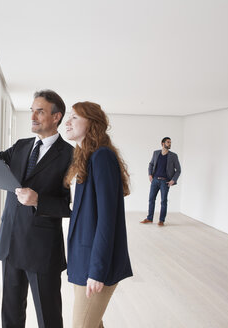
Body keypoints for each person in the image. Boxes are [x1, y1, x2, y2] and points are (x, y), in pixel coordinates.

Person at [0, 90, 73, 328]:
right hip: (11, 243)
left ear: (56, 116)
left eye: (40, 111)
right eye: (32, 110)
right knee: (10, 312)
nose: (33, 116)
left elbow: (70, 206)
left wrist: (38, 200)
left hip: (42, 250)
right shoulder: (21, 146)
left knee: (48, 316)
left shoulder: (70, 156)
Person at [64, 101, 133, 328]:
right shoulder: (86, 156)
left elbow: (107, 220)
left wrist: (97, 270)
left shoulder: (102, 157)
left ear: (92, 123)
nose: (68, 122)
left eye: (74, 117)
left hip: (94, 264)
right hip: (83, 259)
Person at [140, 137, 181, 226]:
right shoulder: (156, 153)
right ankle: (149, 218)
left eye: (170, 142)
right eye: (168, 142)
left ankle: (161, 220)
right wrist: (150, 174)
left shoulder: (173, 156)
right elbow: (151, 164)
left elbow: (178, 170)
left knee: (163, 201)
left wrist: (173, 180)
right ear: (162, 143)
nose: (170, 144)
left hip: (165, 182)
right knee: (151, 199)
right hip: (155, 181)